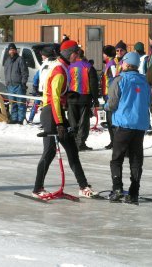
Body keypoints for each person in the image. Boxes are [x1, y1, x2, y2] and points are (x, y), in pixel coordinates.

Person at [32, 40, 97, 199]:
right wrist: (60, 122)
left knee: (72, 149)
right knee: (49, 152)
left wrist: (69, 95)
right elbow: (53, 98)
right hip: (51, 113)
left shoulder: (65, 67)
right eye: (76, 52)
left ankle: (83, 186)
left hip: (57, 111)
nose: (78, 55)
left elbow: (59, 94)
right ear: (70, 54)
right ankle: (37, 188)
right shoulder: (60, 70)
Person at [104, 52, 150, 204]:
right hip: (140, 124)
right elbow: (148, 101)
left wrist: (105, 106)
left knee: (117, 158)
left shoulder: (120, 79)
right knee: (136, 159)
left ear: (126, 63)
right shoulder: (144, 81)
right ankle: (134, 192)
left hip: (123, 124)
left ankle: (117, 189)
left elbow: (112, 103)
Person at [67, 49, 99, 151]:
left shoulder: (69, 67)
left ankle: (74, 141)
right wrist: (95, 99)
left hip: (71, 97)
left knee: (73, 120)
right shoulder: (89, 67)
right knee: (83, 122)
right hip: (84, 97)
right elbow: (93, 85)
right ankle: (80, 142)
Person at [27, 46, 56, 124]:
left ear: (46, 55)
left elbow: (36, 77)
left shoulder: (43, 66)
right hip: (47, 90)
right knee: (45, 107)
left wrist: (35, 87)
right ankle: (35, 120)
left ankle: (31, 119)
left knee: (37, 105)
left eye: (42, 55)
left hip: (42, 90)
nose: (41, 57)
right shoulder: (54, 64)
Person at [3, 43, 29, 125]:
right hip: (10, 85)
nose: (12, 51)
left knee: (20, 103)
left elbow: (25, 72)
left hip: (19, 85)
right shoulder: (7, 61)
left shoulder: (20, 59)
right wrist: (6, 83)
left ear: (16, 50)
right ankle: (14, 118)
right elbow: (6, 73)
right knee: (13, 103)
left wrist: (23, 83)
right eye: (10, 50)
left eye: (13, 49)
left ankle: (21, 119)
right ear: (8, 51)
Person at [100, 45, 117, 149]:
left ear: (106, 54)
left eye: (103, 53)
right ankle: (113, 141)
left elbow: (115, 79)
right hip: (107, 94)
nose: (102, 55)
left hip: (110, 95)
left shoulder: (112, 65)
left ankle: (114, 141)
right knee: (109, 119)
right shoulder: (109, 64)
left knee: (111, 120)